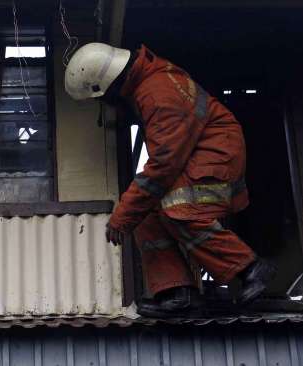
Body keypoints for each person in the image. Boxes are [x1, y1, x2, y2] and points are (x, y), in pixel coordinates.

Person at [64, 42, 276, 317]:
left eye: (101, 97)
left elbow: (163, 165)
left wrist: (123, 214)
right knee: (148, 214)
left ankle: (251, 268)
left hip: (215, 156)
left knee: (181, 212)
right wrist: (131, 214)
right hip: (201, 155)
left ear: (107, 86)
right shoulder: (148, 85)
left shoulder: (157, 94)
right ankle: (178, 293)